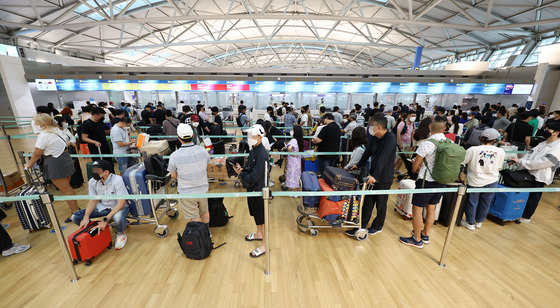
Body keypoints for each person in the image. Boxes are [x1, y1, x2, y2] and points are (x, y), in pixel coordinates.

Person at [399, 116, 448, 248]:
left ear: (430, 127)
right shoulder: (448, 143)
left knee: (417, 209)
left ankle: (416, 239)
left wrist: (417, 166)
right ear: (444, 129)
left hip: (426, 181)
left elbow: (415, 166)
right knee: (431, 208)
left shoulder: (426, 144)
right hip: (440, 180)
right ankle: (425, 234)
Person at [25, 113, 80, 221]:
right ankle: (76, 209)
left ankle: (76, 213)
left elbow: (37, 153)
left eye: (36, 122)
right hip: (64, 158)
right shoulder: (56, 130)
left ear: (42, 124)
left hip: (55, 162)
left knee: (66, 189)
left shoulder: (44, 135)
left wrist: (28, 165)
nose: (35, 124)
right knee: (67, 188)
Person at [348, 116, 396, 236]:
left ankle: (378, 225)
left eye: (372, 126)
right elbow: (367, 153)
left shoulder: (391, 138)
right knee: (368, 202)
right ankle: (361, 225)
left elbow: (383, 159)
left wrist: (375, 176)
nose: (369, 128)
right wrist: (358, 165)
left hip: (384, 177)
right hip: (372, 175)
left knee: (381, 203)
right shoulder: (375, 138)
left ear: (379, 127)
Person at [71, 160, 130, 250]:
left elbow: (121, 203)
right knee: (75, 217)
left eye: (97, 171)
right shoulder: (92, 182)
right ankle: (96, 232)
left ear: (106, 172)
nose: (93, 172)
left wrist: (105, 220)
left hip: (119, 207)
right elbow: (92, 201)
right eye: (93, 170)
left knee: (117, 217)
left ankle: (120, 233)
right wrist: (86, 217)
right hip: (103, 207)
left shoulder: (117, 180)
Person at [510, 122, 560, 223]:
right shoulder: (543, 143)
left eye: (549, 129)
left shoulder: (557, 146)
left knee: (533, 196)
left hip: (540, 175)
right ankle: (517, 213)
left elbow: (545, 162)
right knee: (524, 194)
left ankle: (526, 216)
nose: (546, 131)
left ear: (556, 132)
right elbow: (530, 154)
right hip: (528, 171)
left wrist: (522, 162)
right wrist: (522, 162)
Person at [233, 124, 269, 258]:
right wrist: (243, 169)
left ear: (260, 137)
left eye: (252, 136)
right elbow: (251, 168)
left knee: (262, 217)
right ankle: (259, 234)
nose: (249, 139)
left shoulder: (261, 154)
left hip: (259, 190)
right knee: (255, 214)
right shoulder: (253, 149)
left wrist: (241, 175)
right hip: (252, 189)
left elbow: (255, 176)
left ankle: (265, 244)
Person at [460, 128, 505, 231]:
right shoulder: (500, 151)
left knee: (472, 202)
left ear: (480, 138)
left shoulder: (473, 150)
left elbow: (463, 162)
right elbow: (499, 166)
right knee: (486, 202)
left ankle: (470, 222)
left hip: (475, 180)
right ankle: (479, 222)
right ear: (495, 140)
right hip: (492, 180)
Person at [168, 124, 211, 224]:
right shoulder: (202, 150)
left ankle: (199, 237)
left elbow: (173, 175)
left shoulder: (174, 156)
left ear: (179, 138)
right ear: (192, 136)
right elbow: (207, 167)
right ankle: (206, 234)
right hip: (202, 189)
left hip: (186, 191)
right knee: (204, 212)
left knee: (194, 217)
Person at [81, 107, 114, 171]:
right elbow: (84, 138)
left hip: (104, 145)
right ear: (95, 115)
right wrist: (94, 142)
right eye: (101, 116)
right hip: (95, 148)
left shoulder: (100, 122)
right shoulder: (87, 124)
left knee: (108, 163)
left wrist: (112, 129)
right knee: (99, 165)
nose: (101, 118)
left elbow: (105, 132)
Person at [285, 126, 304, 197]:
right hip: (297, 160)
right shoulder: (300, 140)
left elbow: (289, 148)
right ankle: (297, 191)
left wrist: (290, 153)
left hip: (292, 161)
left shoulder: (293, 140)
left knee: (292, 175)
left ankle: (294, 192)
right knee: (297, 175)